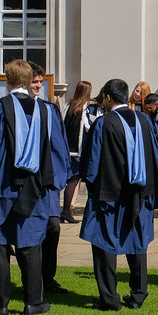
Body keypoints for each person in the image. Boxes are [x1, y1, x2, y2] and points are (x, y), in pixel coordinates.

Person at [0, 59, 69, 315]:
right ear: (30, 81)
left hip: (0, 188)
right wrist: (54, 183)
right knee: (30, 244)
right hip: (35, 189)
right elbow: (58, 151)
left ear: (7, 81)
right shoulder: (47, 111)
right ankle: (33, 302)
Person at [80, 79, 158, 311]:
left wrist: (90, 186)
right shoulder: (144, 120)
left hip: (110, 195)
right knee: (137, 241)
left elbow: (93, 162)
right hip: (140, 193)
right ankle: (138, 294)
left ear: (108, 97)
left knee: (104, 243)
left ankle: (109, 298)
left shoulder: (103, 123)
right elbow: (155, 157)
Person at [27, 61, 72, 296]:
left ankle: (48, 277)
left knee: (52, 227)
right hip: (25, 182)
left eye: (40, 82)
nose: (38, 85)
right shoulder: (13, 109)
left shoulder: (50, 109)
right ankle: (31, 280)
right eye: (34, 82)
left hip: (49, 182)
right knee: (29, 233)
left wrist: (61, 176)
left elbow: (60, 144)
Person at [62, 81, 101, 224]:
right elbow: (88, 127)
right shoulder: (83, 108)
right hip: (77, 151)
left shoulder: (68, 105)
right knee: (74, 180)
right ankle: (66, 211)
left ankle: (65, 210)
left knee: (69, 180)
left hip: (66, 148)